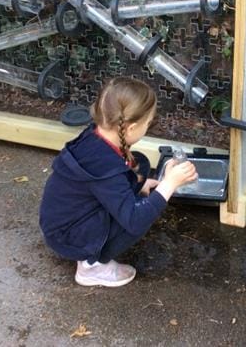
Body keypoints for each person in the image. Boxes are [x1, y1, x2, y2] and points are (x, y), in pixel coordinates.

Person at [39, 77, 198, 287]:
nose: (149, 126)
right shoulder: (105, 169)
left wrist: (142, 185)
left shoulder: (95, 135)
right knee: (136, 220)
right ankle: (91, 266)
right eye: (148, 123)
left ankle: (134, 196)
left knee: (138, 161)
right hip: (69, 238)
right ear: (130, 129)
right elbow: (134, 220)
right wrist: (169, 184)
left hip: (63, 220)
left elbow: (112, 178)